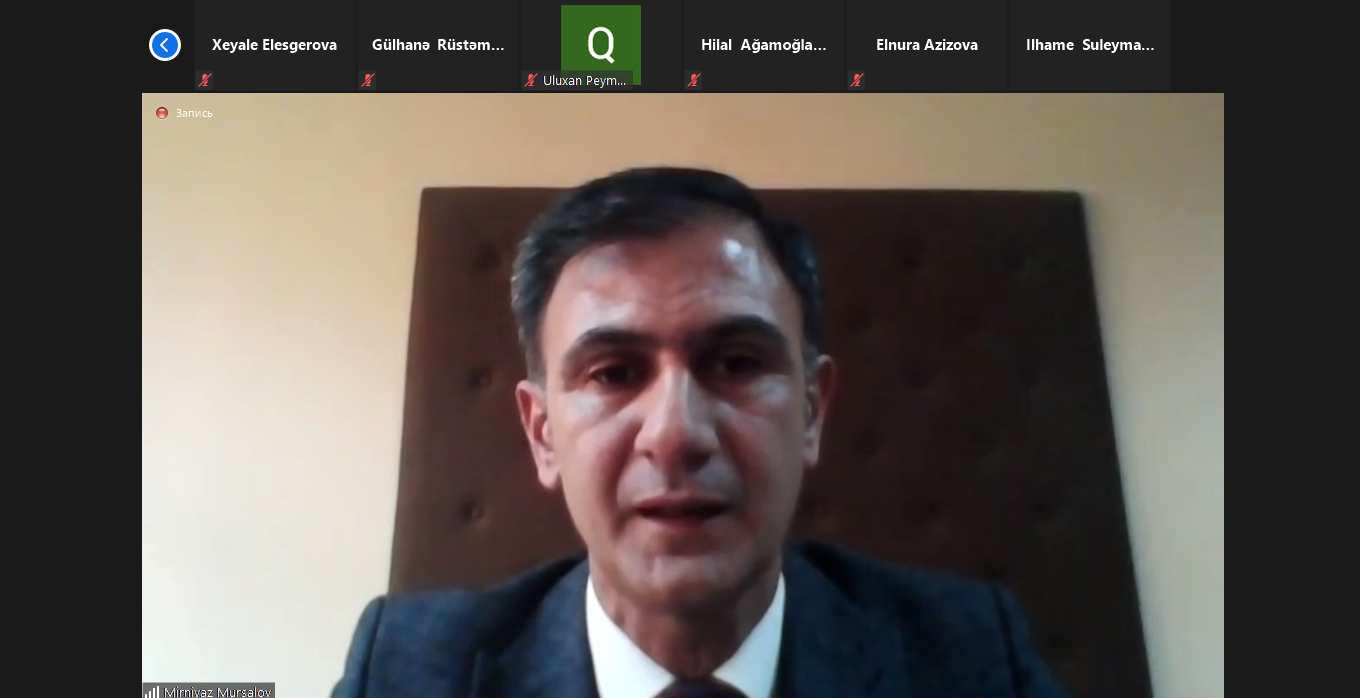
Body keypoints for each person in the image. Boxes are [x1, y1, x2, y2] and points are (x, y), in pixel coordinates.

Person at [331, 167, 1071, 698]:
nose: (676, 433)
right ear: (543, 433)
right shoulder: (404, 670)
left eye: (737, 363)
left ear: (812, 411)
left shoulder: (972, 654)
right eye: (614, 373)